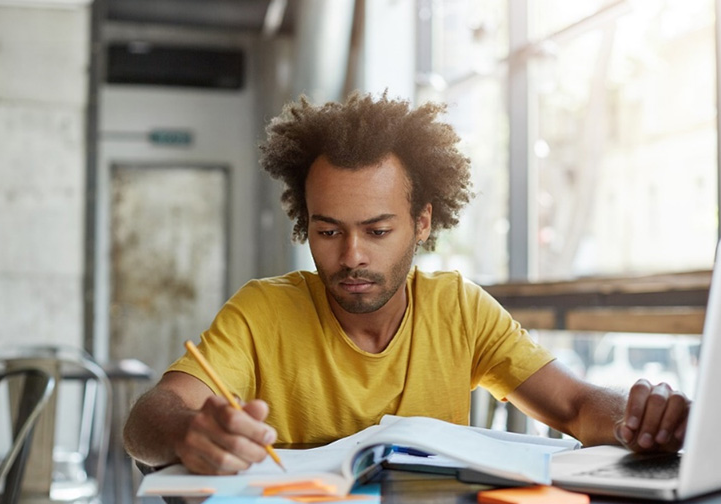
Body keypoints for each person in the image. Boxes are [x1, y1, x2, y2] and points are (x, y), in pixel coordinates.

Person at [123, 91, 690, 476]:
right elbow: (149, 417)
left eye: (377, 230)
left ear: (422, 222)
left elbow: (575, 406)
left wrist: (637, 417)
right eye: (327, 231)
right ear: (305, 222)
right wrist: (188, 432)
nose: (351, 256)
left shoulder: (459, 309)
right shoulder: (263, 311)